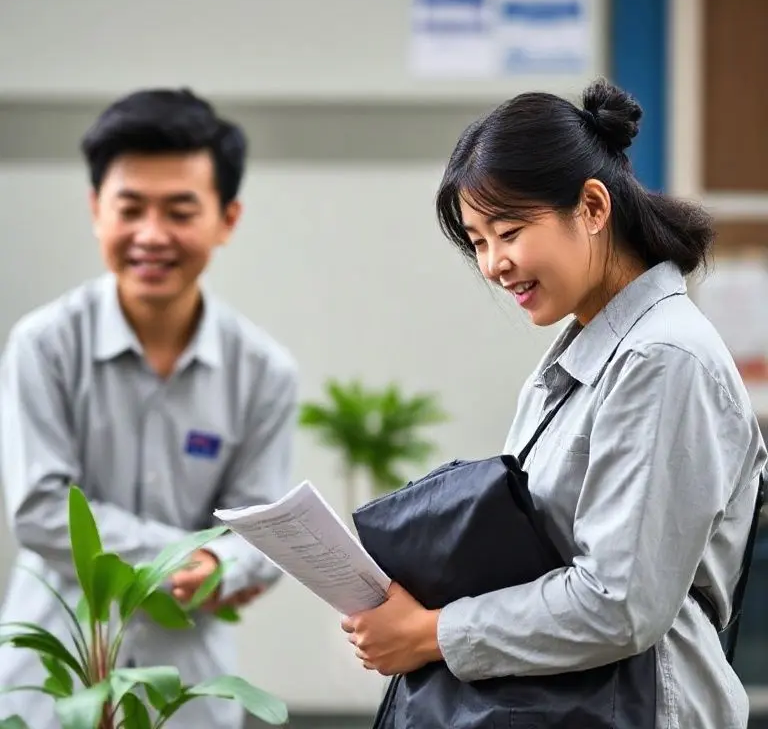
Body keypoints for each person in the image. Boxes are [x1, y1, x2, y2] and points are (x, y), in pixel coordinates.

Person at [341, 78, 766, 728]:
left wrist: (432, 633)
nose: (493, 264)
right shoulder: (587, 354)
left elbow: (618, 604)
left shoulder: (660, 358)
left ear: (592, 207)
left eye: (508, 231)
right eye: (477, 242)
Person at [0, 89, 298, 728]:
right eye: (130, 208)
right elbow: (40, 509)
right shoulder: (44, 345)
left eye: (180, 210)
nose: (151, 235)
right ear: (95, 211)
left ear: (227, 219)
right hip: (50, 685)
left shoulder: (264, 371)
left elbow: (262, 528)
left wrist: (224, 562)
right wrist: (185, 557)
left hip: (184, 689)